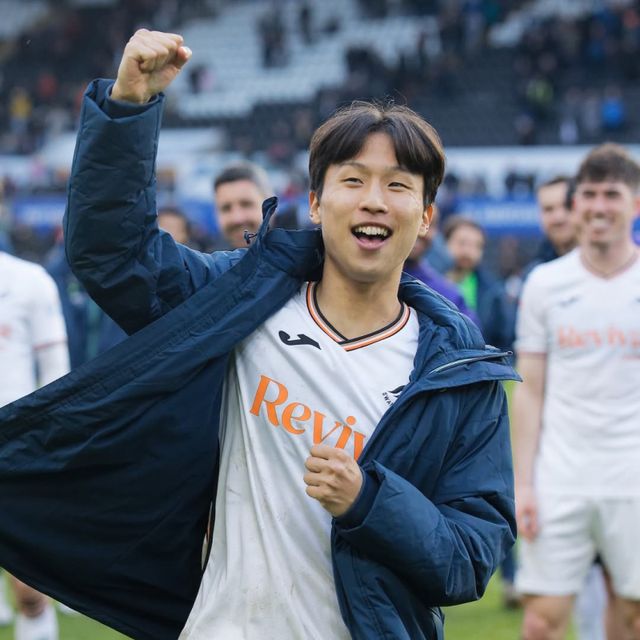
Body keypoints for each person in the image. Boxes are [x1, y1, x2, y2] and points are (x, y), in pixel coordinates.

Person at [0, 29, 517, 639]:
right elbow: (115, 257)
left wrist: (368, 500)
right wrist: (128, 106)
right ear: (317, 203)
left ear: (426, 216)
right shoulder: (242, 299)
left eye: (398, 185)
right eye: (353, 180)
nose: (375, 201)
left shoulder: (458, 375)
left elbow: (468, 559)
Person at [514, 143, 640, 640]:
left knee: (632, 618)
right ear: (575, 203)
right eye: (589, 194)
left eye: (611, 194)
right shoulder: (545, 284)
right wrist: (523, 485)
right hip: (559, 478)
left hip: (632, 476)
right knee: (540, 622)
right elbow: (529, 391)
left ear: (635, 203)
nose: (598, 206)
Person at [0, 250, 69, 640]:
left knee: (29, 590)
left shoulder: (29, 281)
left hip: (16, 445)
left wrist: (50, 444)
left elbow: (56, 375)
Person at [443, 215, 515, 351]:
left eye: (476, 246)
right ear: (445, 243)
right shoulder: (427, 283)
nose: (467, 251)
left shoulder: (494, 292)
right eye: (462, 243)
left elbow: (503, 342)